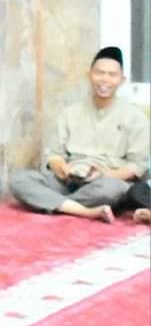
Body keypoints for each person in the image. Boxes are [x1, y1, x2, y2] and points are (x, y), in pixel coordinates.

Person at [9, 46, 150, 223]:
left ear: (122, 80)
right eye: (100, 73)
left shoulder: (135, 117)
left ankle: (56, 204)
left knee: (112, 190)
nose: (105, 79)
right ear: (89, 75)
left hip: (105, 182)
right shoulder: (70, 113)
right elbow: (54, 154)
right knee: (20, 180)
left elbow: (137, 166)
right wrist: (60, 166)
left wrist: (107, 174)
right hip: (69, 181)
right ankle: (86, 211)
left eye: (112, 75)